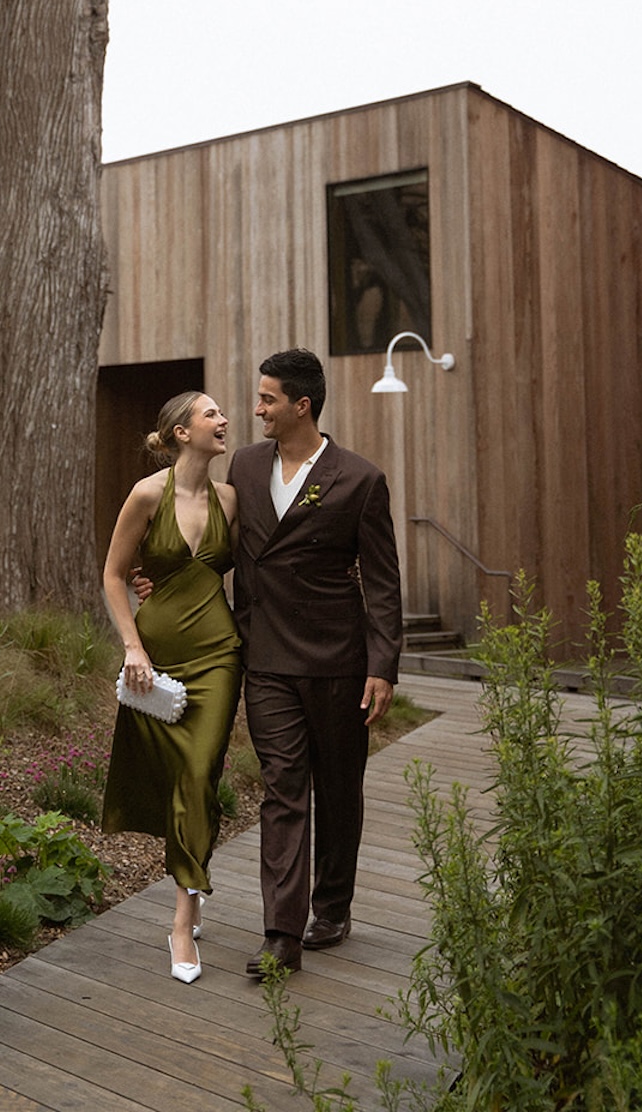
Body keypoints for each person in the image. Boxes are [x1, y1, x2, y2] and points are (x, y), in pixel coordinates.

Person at [228, 347, 403, 977]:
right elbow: (230, 547)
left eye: (268, 398)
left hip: (339, 662)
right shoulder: (245, 467)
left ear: (302, 405)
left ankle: (332, 904)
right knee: (282, 789)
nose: (258, 409)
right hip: (268, 658)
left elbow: (382, 582)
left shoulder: (360, 479)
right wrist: (164, 579)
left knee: (337, 789)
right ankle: (281, 933)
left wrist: (382, 665)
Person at [101, 391, 242, 984]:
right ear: (181, 431)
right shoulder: (147, 494)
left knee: (199, 774)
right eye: (211, 414)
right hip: (158, 657)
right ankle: (190, 885)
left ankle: (182, 921)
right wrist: (134, 646)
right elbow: (113, 576)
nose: (224, 420)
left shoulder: (231, 499)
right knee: (179, 782)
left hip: (219, 656)